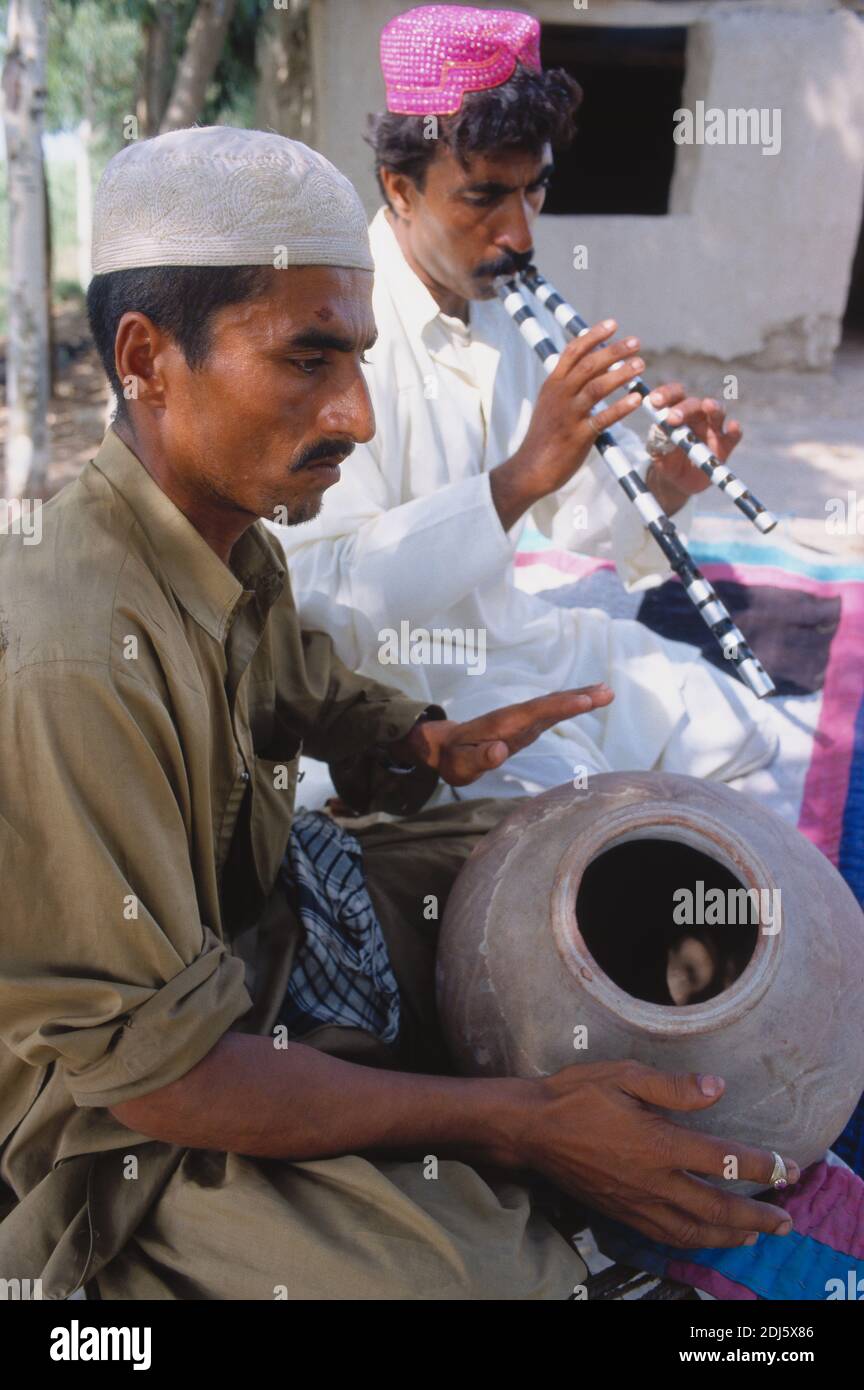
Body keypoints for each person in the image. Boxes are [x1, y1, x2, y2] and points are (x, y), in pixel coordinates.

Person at [0, 126, 797, 1303]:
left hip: (265, 934)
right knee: (475, 1277)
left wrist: (419, 741)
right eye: (309, 361)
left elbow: (296, 678)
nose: (358, 415)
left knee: (592, 864)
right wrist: (520, 1124)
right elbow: (160, 1079)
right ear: (147, 359)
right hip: (137, 1112)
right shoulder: (73, 664)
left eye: (360, 361)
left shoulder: (213, 532)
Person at [271, 4, 779, 803]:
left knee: (737, 730)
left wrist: (665, 487)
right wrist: (518, 479)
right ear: (399, 188)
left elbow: (567, 520)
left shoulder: (508, 306)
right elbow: (324, 605)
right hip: (392, 693)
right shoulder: (327, 338)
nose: (520, 234)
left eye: (534, 191)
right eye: (483, 199)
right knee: (548, 822)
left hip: (511, 639)